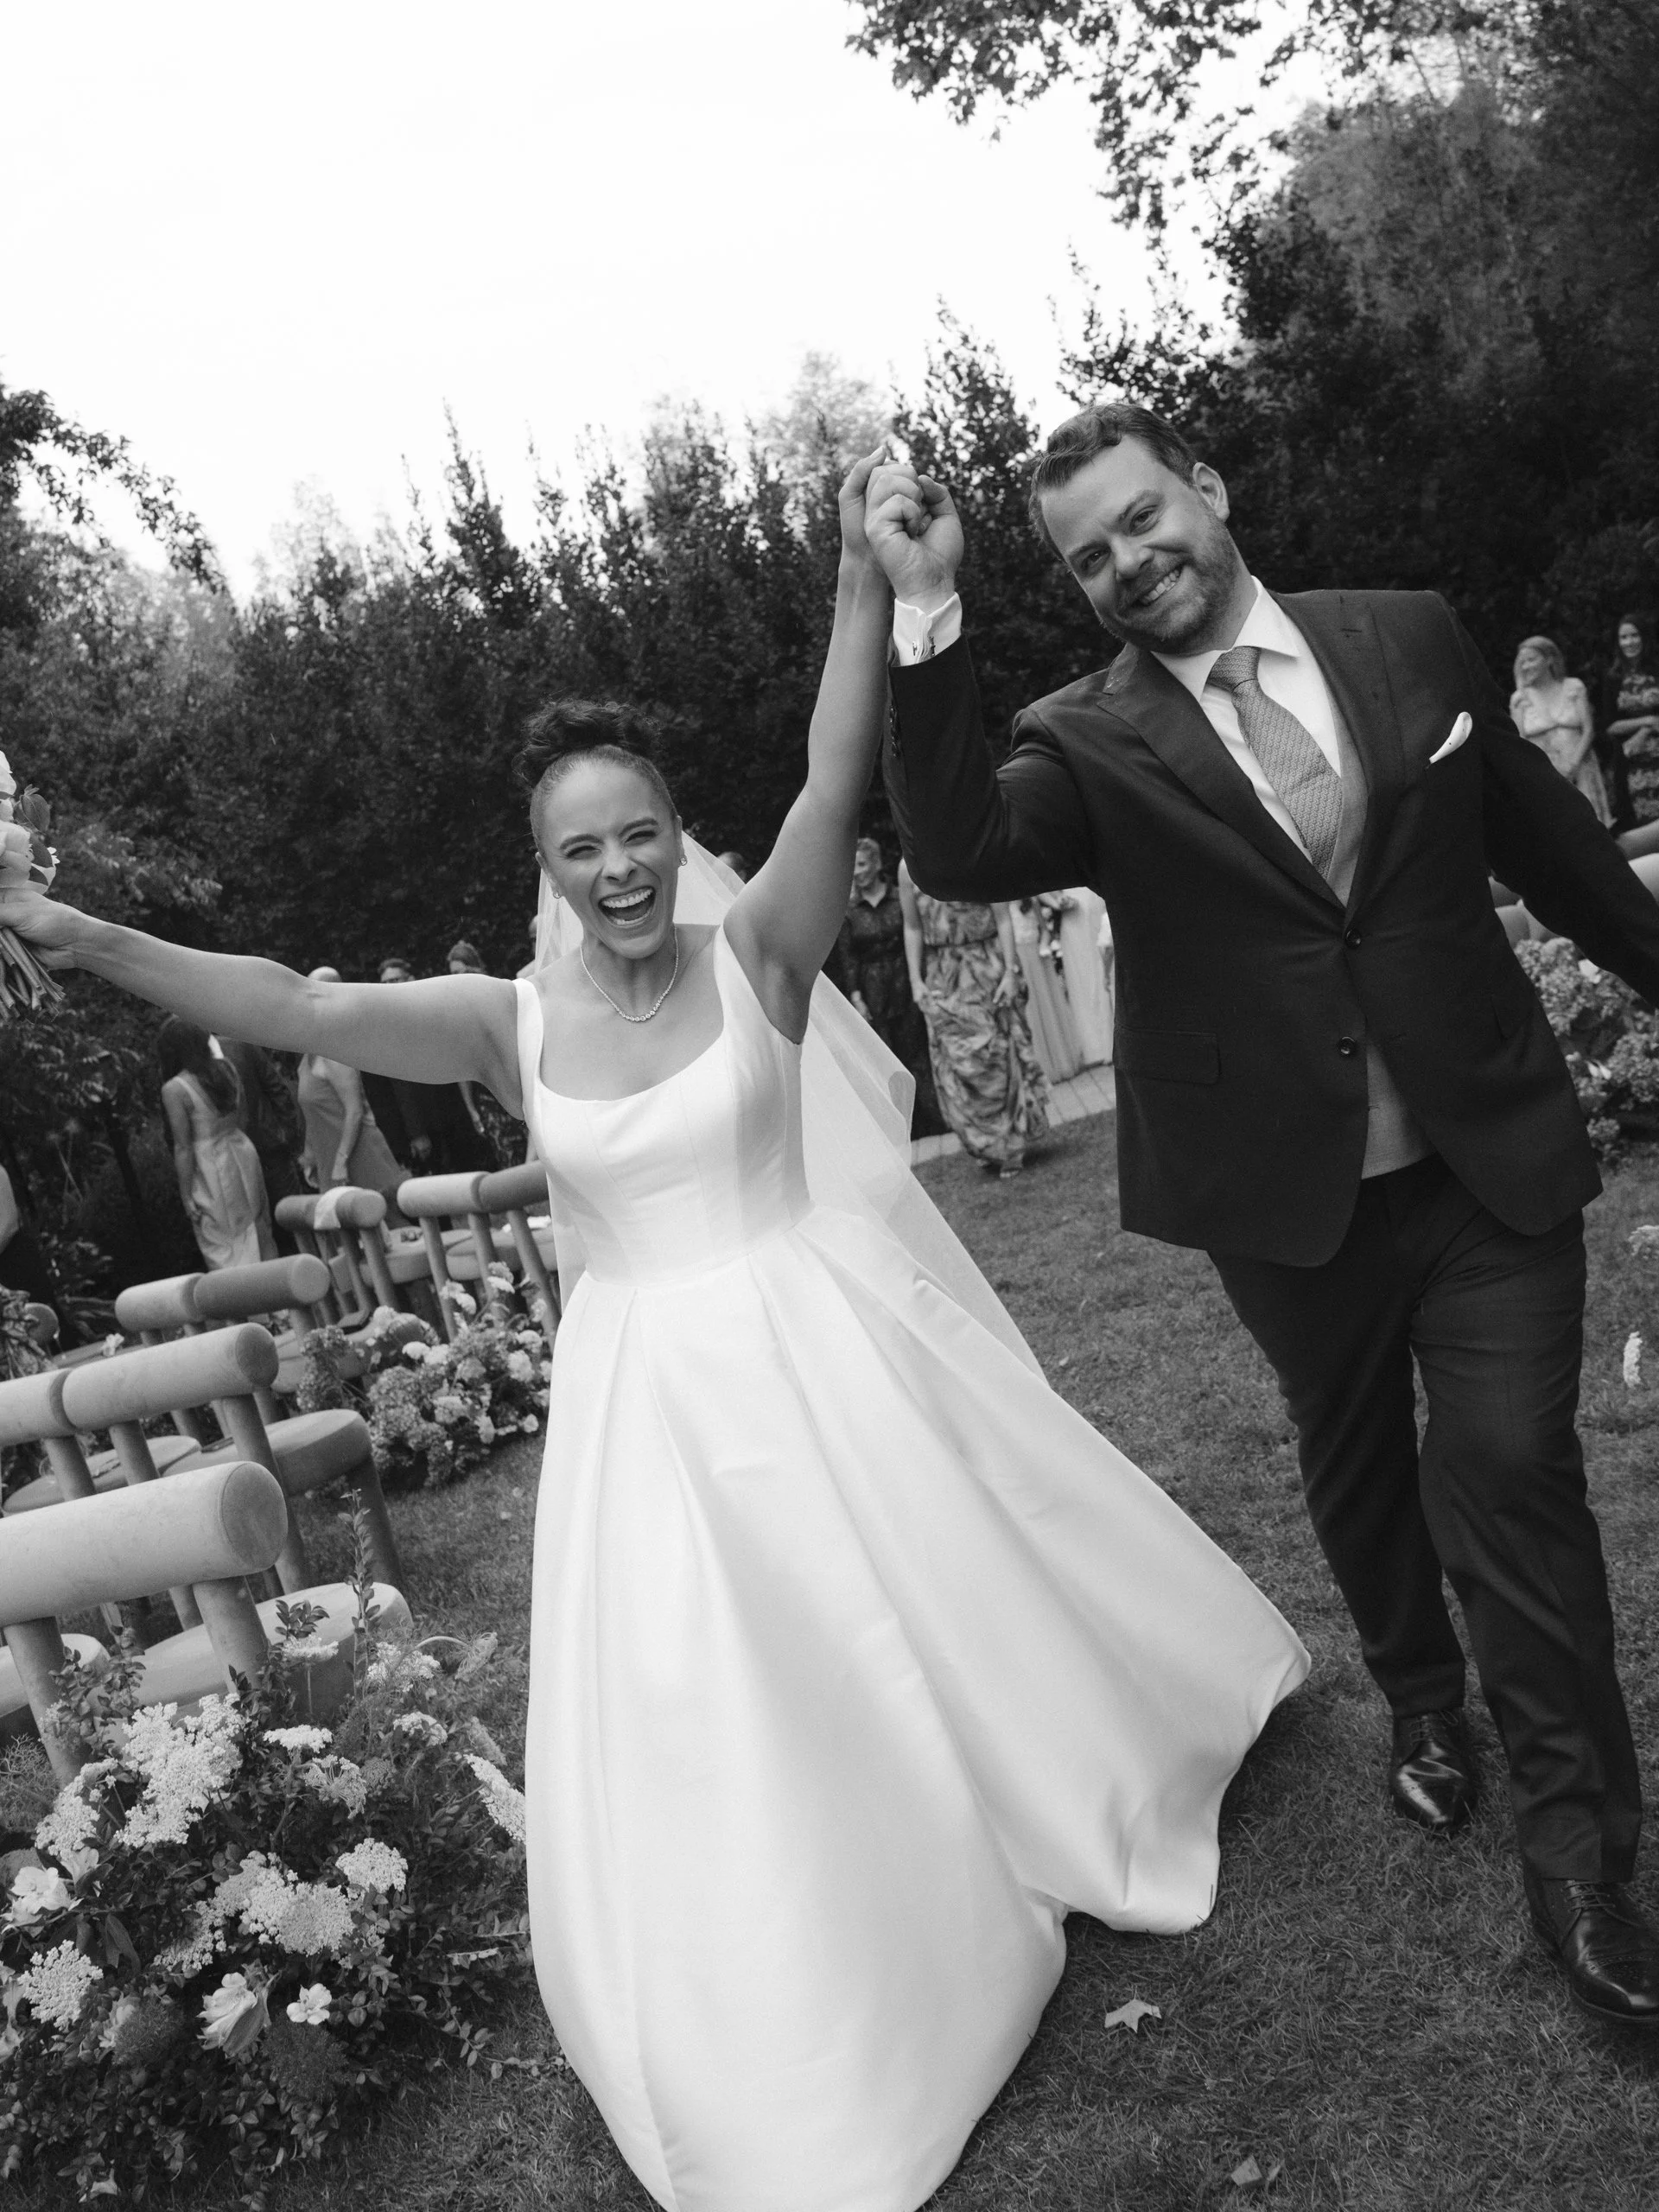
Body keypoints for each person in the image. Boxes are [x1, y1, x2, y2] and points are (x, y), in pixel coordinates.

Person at [0, 450, 1310, 2212]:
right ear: (540, 864)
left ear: (670, 836)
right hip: (652, 1409)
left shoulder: (761, 949)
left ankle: (1063, 1789)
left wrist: (862, 579)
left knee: (939, 1596)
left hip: (826, 1344)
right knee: (734, 1686)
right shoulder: (505, 1023)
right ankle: (833, 1941)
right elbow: (290, 998)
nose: (618, 871)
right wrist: (65, 923)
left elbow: (842, 769)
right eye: (580, 847)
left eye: (637, 835)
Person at [868, 398, 1659, 2031]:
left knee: (1511, 1471)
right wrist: (924, 607)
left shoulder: (1411, 638)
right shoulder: (1082, 739)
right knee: (1357, 1450)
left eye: (1145, 518)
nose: (1130, 562)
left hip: (1484, 1154)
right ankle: (1422, 1697)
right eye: (1090, 556)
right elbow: (957, 848)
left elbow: (1559, 849)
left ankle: (1583, 1867)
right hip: (1283, 1198)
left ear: (1208, 490)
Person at [898, 865, 1048, 1177]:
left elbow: (1003, 917)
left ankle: (1009, 1147)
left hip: (985, 967)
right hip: (942, 975)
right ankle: (983, 1142)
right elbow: (912, 927)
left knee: (994, 1058)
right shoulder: (906, 867)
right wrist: (915, 980)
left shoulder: (975, 854)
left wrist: (1009, 971)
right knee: (958, 1063)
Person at [831, 835, 942, 1134]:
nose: (857, 872)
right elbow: (848, 957)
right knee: (887, 1059)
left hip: (904, 983)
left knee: (917, 1051)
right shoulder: (849, 911)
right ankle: (906, 1127)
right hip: (872, 989)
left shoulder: (897, 898)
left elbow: (914, 935)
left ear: (877, 864)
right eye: (852, 867)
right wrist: (856, 995)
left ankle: (936, 1119)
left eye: (863, 864)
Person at [156, 1017, 276, 1269]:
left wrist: (186, 1194)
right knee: (258, 1225)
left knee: (224, 1239)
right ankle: (278, 1298)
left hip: (210, 1164)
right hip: (241, 1149)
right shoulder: (226, 1068)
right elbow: (242, 1116)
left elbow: (183, 1146)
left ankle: (248, 1302)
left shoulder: (175, 1089)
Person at [377, 953, 492, 1176]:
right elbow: (400, 1086)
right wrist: (416, 1132)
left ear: (410, 979)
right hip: (428, 1124)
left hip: (456, 1110)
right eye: (385, 983)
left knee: (478, 1177)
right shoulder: (388, 1026)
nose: (390, 986)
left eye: (395, 980)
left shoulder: (433, 1007)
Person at [295, 970, 406, 1195]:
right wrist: (309, 1158)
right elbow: (311, 1113)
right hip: (330, 1160)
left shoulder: (335, 1051)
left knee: (389, 1225)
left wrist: (340, 1163)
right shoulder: (307, 1056)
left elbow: (354, 1111)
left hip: (358, 1158)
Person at [1510, 637, 1611, 824]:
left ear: (1549, 659)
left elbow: (1589, 730)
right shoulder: (1520, 698)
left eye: (1531, 660)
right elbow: (1520, 742)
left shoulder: (1573, 687)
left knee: (1590, 825)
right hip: (1544, 777)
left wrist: (1572, 766)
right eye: (1522, 662)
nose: (1526, 666)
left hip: (1580, 768)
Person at [447, 938, 527, 1169]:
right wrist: (471, 1109)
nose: (456, 979)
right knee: (507, 1157)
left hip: (514, 1085)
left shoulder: (497, 992)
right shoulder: (455, 1011)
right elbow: (463, 1066)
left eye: (460, 972)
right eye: (452, 974)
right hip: (486, 1097)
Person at [1009, 895, 1083, 1081]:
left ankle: (1058, 1061)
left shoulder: (1030, 900)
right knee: (1029, 1012)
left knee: (1047, 1007)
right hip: (1019, 961)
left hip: (1036, 959)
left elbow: (1045, 931)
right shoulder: (1000, 907)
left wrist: (1043, 945)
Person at [1604, 614, 1659, 851]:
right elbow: (1610, 726)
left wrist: (1646, 730)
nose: (1629, 642)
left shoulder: (1656, 669)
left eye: (1634, 635)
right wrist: (1646, 722)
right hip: (1631, 763)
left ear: (1644, 638)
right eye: (1624, 637)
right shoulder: (1613, 678)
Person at [1058, 884, 1114, 1065]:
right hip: (1073, 915)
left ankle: (1113, 1039)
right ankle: (1096, 1045)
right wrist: (1056, 901)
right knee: (1083, 978)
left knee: (1102, 965)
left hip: (1096, 905)